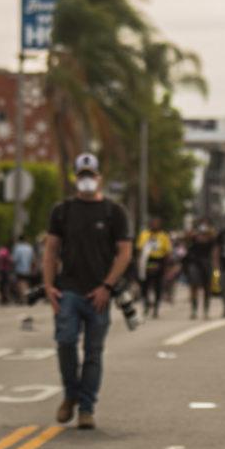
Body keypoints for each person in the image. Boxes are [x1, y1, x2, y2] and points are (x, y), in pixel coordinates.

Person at [42, 152, 132, 430]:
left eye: (90, 176)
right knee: (66, 342)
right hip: (68, 290)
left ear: (99, 178)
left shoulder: (113, 212)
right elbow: (51, 249)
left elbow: (125, 252)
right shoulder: (62, 211)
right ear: (75, 178)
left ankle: (86, 407)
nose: (86, 181)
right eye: (81, 176)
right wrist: (48, 286)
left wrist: (107, 286)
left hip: (99, 294)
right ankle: (71, 394)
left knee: (93, 352)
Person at [136, 216, 172, 318]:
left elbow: (167, 252)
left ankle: (156, 307)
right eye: (153, 222)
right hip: (147, 261)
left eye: (157, 223)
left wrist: (167, 266)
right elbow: (139, 249)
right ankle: (146, 305)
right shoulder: (144, 234)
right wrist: (138, 264)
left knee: (158, 286)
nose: (154, 225)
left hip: (159, 261)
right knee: (145, 285)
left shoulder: (164, 236)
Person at [183, 220, 216, 319]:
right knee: (194, 287)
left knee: (207, 288)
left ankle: (206, 311)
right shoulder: (194, 237)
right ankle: (194, 310)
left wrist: (209, 231)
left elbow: (215, 240)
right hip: (194, 263)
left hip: (206, 264)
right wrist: (194, 230)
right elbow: (185, 238)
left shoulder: (210, 237)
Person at [11, 234, 35, 304]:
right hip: (28, 269)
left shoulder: (17, 248)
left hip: (20, 269)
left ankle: (24, 298)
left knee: (21, 284)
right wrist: (33, 269)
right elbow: (33, 260)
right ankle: (27, 297)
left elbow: (14, 260)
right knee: (26, 283)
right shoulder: (29, 248)